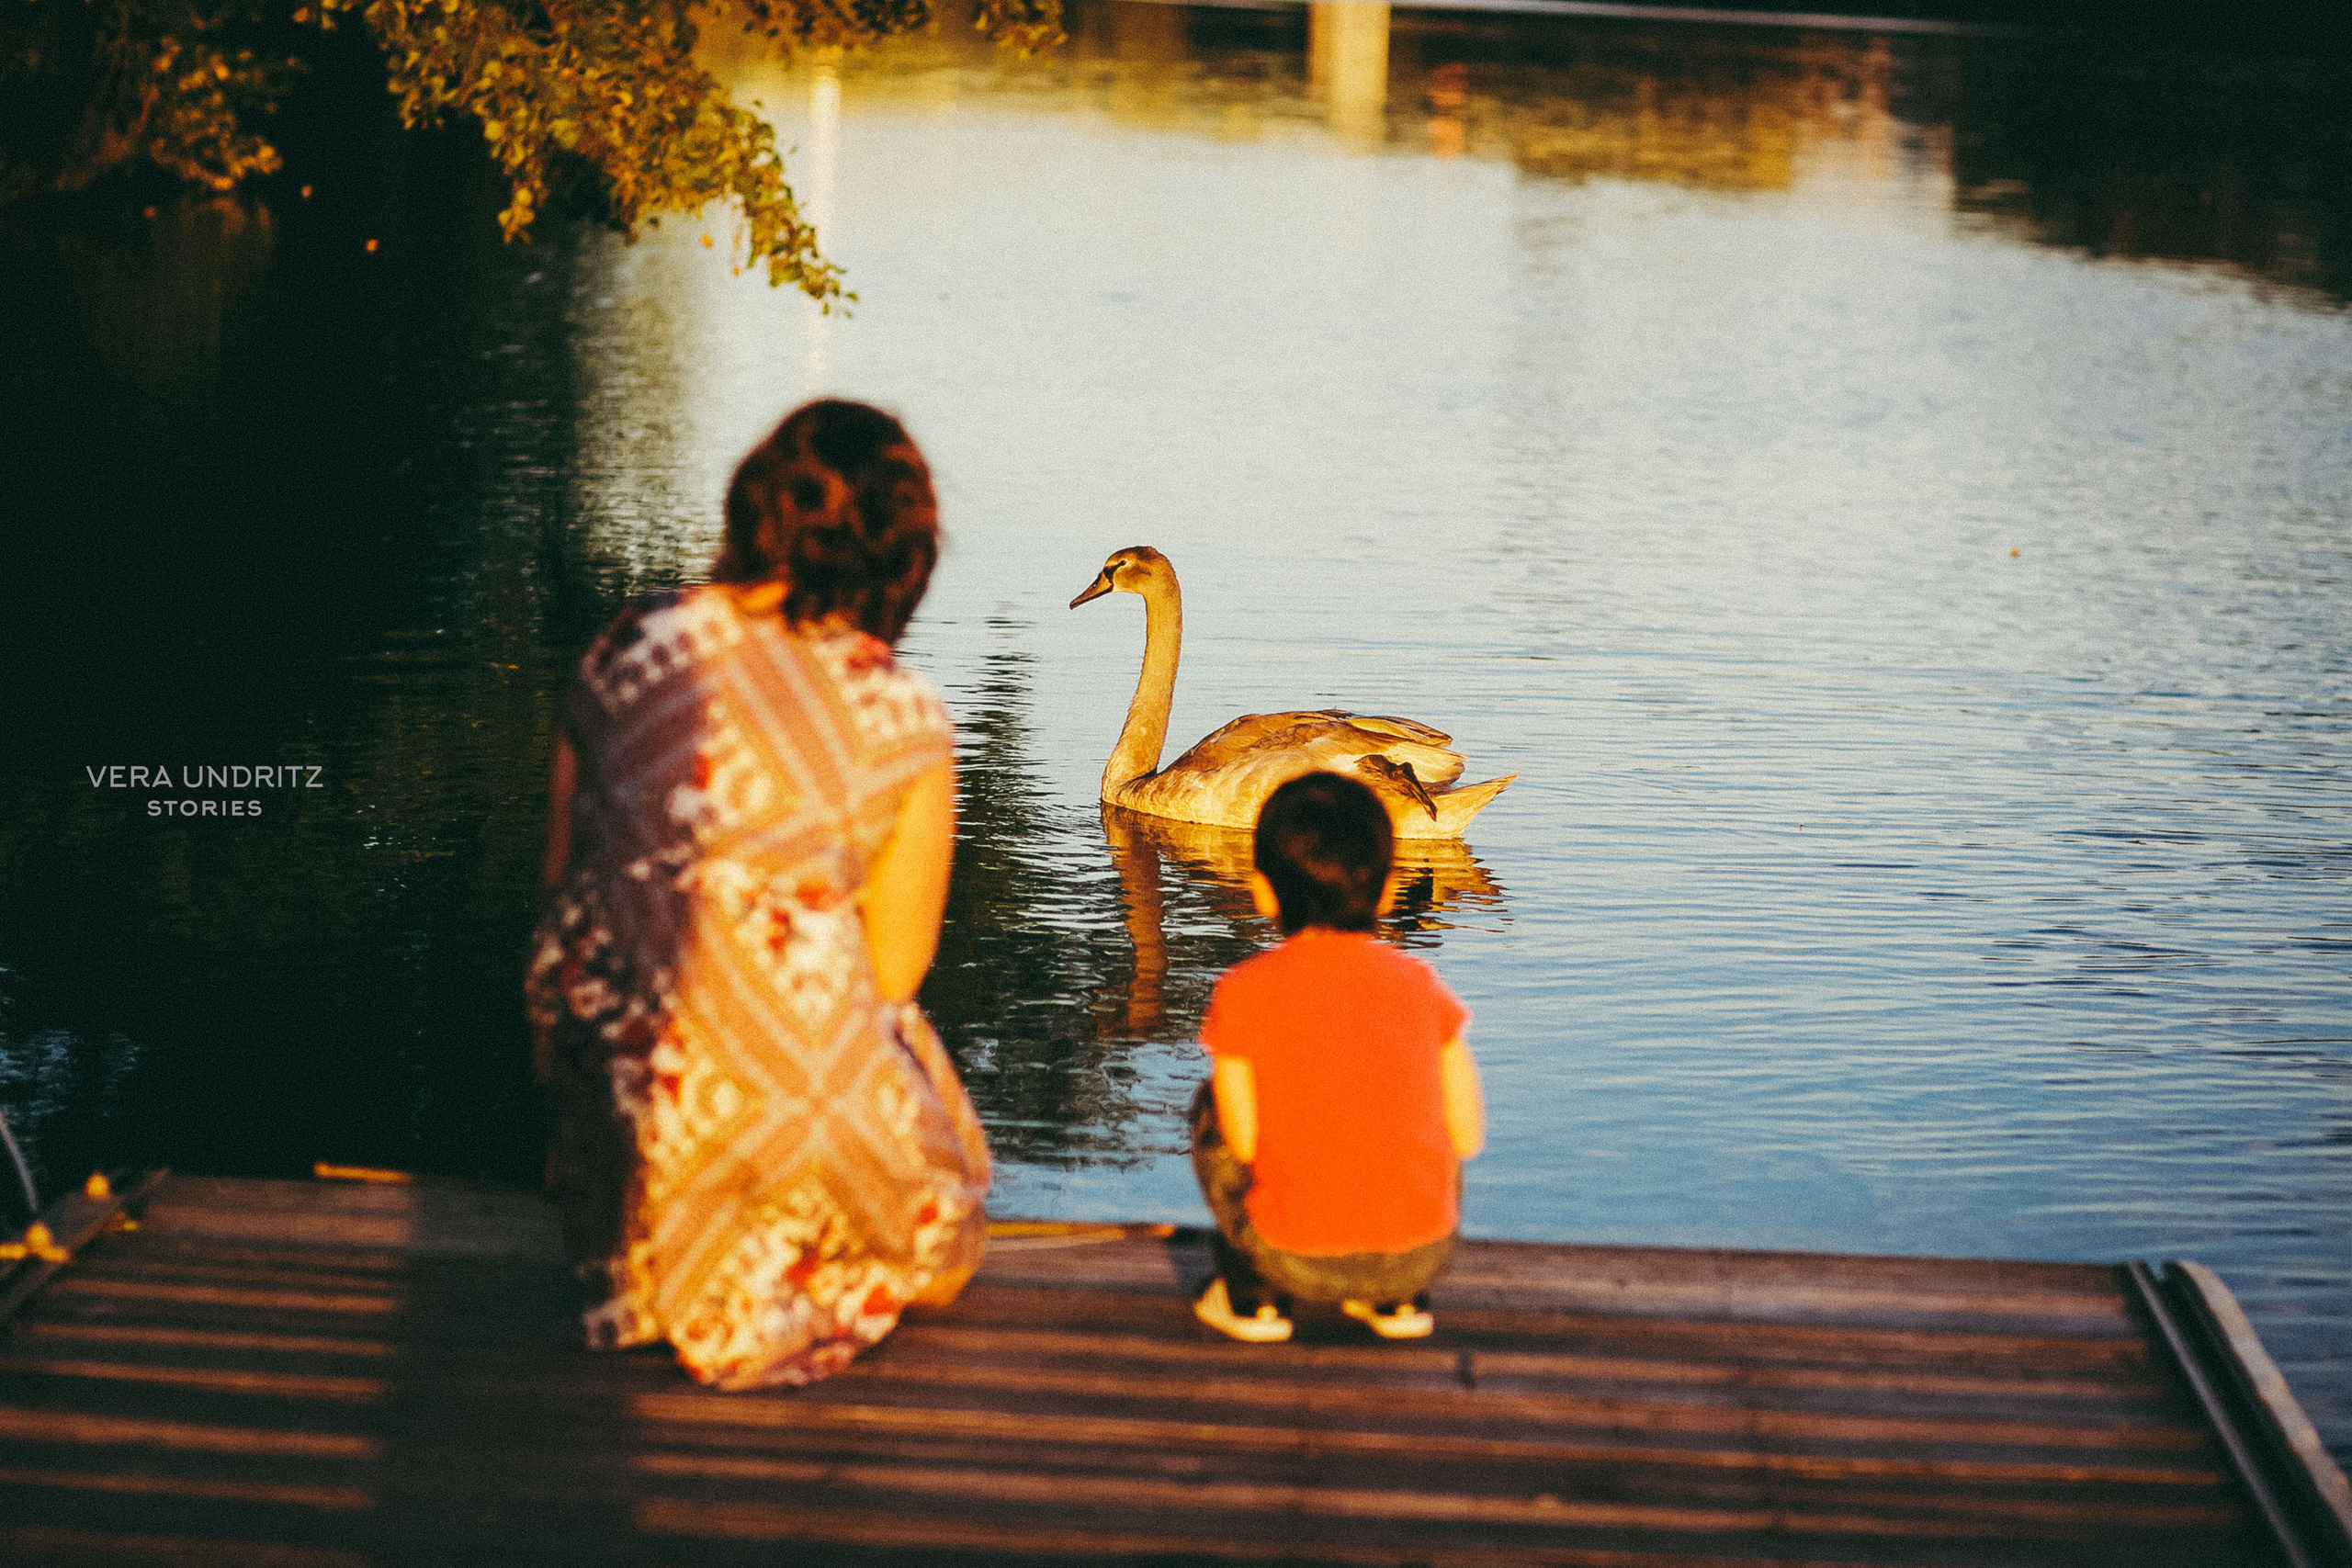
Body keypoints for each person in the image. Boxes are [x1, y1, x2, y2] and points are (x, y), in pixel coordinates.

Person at [526, 398, 989, 1391]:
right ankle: (794, 1229)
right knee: (945, 1230)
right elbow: (895, 972)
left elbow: (564, 887)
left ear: (753, 509)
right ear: (903, 547)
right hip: (789, 1101)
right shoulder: (899, 710)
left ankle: (652, 1247)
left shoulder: (631, 642)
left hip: (620, 1111)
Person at [1190, 772, 1486, 1343]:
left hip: (1289, 1256)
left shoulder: (1244, 991)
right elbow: (1467, 1134)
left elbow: (1246, 1142)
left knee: (1212, 1108)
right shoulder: (1421, 985)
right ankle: (1397, 1303)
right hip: (1422, 1254)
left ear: (1262, 890)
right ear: (1390, 888)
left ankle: (1256, 1301)